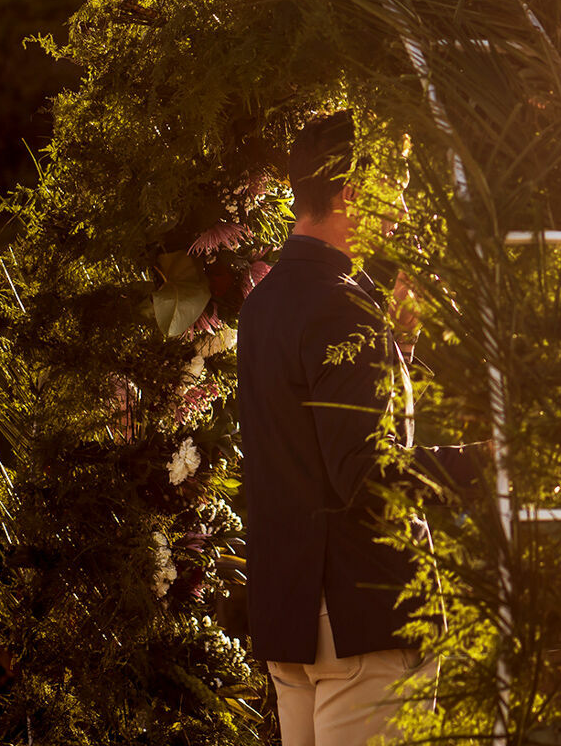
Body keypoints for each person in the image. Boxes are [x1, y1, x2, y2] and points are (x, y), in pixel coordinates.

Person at [238, 111, 471, 745]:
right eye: (391, 186)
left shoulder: (263, 306)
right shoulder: (341, 308)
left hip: (292, 623)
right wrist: (489, 462)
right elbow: (367, 474)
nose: (399, 208)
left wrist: (395, 346)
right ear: (350, 193)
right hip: (359, 623)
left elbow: (302, 443)